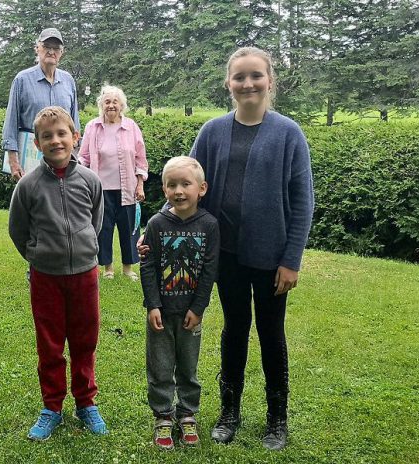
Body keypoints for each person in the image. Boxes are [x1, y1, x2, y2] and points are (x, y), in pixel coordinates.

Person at [139, 47, 314, 450]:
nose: (247, 84)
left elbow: (302, 201)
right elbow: (185, 187)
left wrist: (291, 260)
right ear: (228, 83)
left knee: (271, 334)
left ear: (270, 81)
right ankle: (229, 412)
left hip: (271, 258)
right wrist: (156, 228)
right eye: (239, 77)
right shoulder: (212, 132)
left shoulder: (289, 133)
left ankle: (276, 418)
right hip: (225, 256)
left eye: (255, 76)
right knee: (234, 330)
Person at [8, 106, 108, 441]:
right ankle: (52, 406)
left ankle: (85, 402)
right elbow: (18, 230)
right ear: (37, 144)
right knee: (49, 345)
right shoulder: (29, 185)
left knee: (85, 340)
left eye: (62, 134)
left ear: (75, 137)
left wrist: (83, 250)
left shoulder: (90, 181)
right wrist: (38, 256)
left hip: (84, 275)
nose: (55, 141)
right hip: (46, 278)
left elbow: (95, 221)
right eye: (47, 136)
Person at [140, 156, 219, 450]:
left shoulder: (210, 226)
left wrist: (198, 308)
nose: (179, 191)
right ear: (164, 190)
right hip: (161, 312)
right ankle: (163, 416)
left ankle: (187, 414)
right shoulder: (156, 224)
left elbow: (210, 269)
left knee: (188, 367)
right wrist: (152, 305)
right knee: (160, 367)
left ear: (202, 188)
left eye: (186, 184)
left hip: (190, 314)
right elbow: (147, 267)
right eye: (172, 185)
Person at [79, 85, 148, 281]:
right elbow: (83, 157)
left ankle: (128, 268)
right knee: (104, 229)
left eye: (115, 102)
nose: (111, 105)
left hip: (127, 188)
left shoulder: (131, 127)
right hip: (100, 190)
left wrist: (140, 184)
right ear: (101, 105)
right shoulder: (93, 126)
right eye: (107, 102)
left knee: (128, 230)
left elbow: (140, 159)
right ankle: (108, 268)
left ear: (121, 105)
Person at [2, 28, 80, 181]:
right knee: (32, 201)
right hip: (30, 157)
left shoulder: (68, 81)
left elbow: (74, 123)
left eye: (56, 48)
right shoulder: (22, 80)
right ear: (37, 48)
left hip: (62, 156)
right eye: (46, 46)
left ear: (61, 52)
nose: (51, 51)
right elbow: (11, 122)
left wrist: (75, 155)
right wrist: (13, 160)